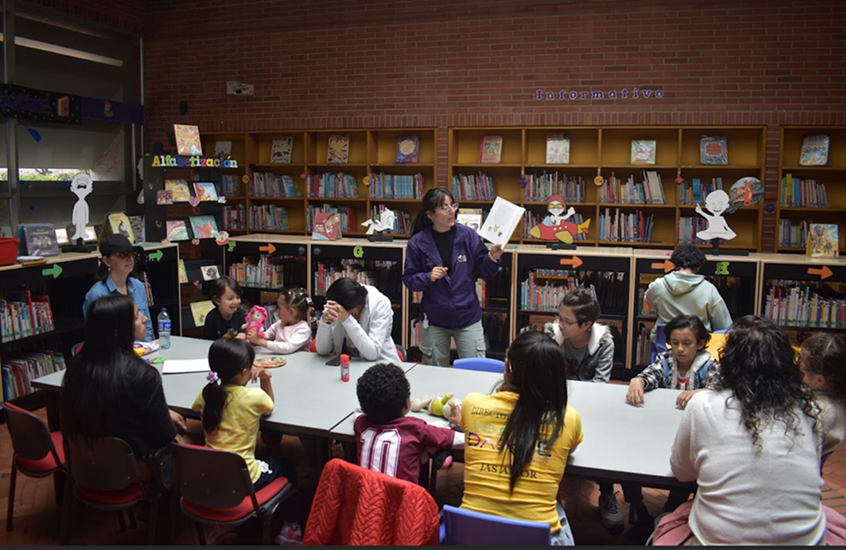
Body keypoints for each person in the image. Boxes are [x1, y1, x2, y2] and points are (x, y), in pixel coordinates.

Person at [658, 316, 826, 545]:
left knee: (666, 522)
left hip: (718, 540)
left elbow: (681, 472)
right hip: (808, 540)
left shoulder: (704, 404)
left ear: (729, 361)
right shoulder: (810, 409)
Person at [460, 330, 582, 546]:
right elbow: (568, 449)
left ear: (507, 366)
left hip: (472, 535)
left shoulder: (473, 405)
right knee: (556, 504)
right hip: (537, 538)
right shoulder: (568, 418)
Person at [192, 338, 301, 545]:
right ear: (245, 372)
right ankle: (291, 528)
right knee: (287, 465)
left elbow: (196, 407)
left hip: (209, 475)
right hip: (244, 479)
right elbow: (269, 406)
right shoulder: (253, 396)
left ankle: (221, 527)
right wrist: (265, 379)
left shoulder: (207, 394)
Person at [62, 295, 180, 483]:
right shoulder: (142, 375)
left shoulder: (76, 368)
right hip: (133, 468)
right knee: (192, 437)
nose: (145, 318)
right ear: (117, 331)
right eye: (135, 316)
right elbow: (165, 435)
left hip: (87, 463)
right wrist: (162, 414)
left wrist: (161, 411)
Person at [622, 314, 720, 543]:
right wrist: (638, 381)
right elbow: (650, 375)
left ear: (700, 343)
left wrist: (702, 393)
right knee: (628, 460)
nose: (679, 349)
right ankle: (640, 507)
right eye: (674, 343)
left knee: (686, 472)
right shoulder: (666, 360)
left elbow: (721, 389)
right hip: (658, 431)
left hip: (692, 436)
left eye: (687, 343)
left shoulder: (709, 365)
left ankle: (670, 510)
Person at [543, 288, 623, 535]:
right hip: (556, 404)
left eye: (567, 322)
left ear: (587, 324)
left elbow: (600, 385)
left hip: (590, 406)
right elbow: (544, 376)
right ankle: (545, 491)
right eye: (559, 318)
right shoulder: (552, 335)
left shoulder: (604, 342)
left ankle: (607, 492)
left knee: (604, 437)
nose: (560, 325)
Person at [403, 188, 504, 367]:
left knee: (475, 369)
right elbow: (409, 280)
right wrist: (428, 277)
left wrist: (492, 257)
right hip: (434, 317)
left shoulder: (467, 235)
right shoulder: (417, 243)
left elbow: (484, 269)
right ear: (430, 215)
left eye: (453, 206)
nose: (452, 211)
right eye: (445, 208)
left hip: (467, 315)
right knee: (434, 371)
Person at [354, 362, 464, 484]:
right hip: (405, 502)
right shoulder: (415, 428)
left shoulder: (360, 424)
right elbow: (461, 439)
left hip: (366, 500)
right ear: (407, 404)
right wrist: (460, 423)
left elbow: (357, 411)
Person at [644, 244, 732, 341]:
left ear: (675, 264)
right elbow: (724, 325)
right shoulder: (709, 289)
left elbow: (650, 303)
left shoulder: (657, 285)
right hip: (697, 346)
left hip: (664, 343)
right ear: (699, 267)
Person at [82, 234, 153, 342]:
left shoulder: (138, 285)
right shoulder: (96, 294)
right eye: (122, 255)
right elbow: (98, 338)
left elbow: (147, 327)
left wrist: (146, 350)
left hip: (143, 352)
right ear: (107, 261)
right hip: (114, 355)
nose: (130, 259)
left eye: (131, 254)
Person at [315, 277, 398, 364]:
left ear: (352, 308)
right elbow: (322, 350)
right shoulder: (339, 300)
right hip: (346, 364)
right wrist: (325, 323)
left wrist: (347, 320)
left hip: (379, 364)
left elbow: (373, 353)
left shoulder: (380, 304)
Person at [799, 332, 846, 467]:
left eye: (803, 368)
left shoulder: (824, 412)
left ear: (820, 380)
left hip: (806, 469)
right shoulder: (830, 395)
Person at [247, 286, 314, 353]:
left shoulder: (303, 330)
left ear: (291, 312)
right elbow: (267, 335)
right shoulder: (279, 324)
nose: (276, 311)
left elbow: (287, 347)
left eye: (279, 308)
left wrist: (259, 341)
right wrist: (255, 335)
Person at [203, 276, 247, 340]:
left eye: (238, 297)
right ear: (217, 300)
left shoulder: (241, 314)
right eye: (230, 298)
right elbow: (208, 341)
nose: (236, 301)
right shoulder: (212, 318)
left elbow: (242, 334)